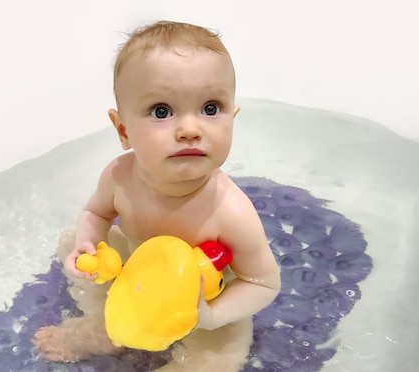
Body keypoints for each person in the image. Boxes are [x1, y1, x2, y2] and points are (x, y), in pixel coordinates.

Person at [32, 20, 281, 371]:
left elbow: (262, 282)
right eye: (162, 112)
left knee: (219, 358)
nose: (191, 130)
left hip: (206, 300)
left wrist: (210, 315)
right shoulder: (119, 177)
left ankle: (121, 331)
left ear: (233, 117)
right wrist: (89, 245)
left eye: (211, 108)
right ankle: (108, 325)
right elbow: (96, 214)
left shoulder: (230, 210)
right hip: (136, 281)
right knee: (70, 241)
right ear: (123, 130)